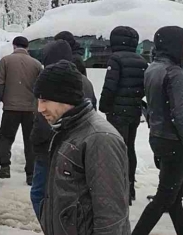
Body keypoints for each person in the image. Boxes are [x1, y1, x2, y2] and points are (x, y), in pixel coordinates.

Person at [36, 60, 131, 234]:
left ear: (65, 97)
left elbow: (111, 217)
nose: (40, 108)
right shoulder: (67, 128)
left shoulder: (99, 138)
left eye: (45, 100)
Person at [132, 26, 183, 235]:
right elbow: (179, 112)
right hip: (174, 139)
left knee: (174, 195)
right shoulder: (174, 72)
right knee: (164, 197)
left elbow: (150, 105)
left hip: (157, 135)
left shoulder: (153, 68)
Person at [29, 39, 96, 218]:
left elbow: (44, 121)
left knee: (40, 194)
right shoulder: (84, 81)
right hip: (73, 148)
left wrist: (36, 141)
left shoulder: (52, 82)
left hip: (51, 148)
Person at [98, 26, 148, 205]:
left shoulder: (116, 59)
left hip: (117, 113)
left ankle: (118, 189)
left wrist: (104, 106)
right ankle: (130, 188)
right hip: (133, 111)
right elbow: (144, 87)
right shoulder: (142, 61)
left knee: (116, 150)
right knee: (130, 148)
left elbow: (110, 86)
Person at [0, 36, 42, 183]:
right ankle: (30, 174)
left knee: (5, 137)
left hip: (11, 108)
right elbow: (40, 86)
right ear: (27, 47)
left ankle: (4, 167)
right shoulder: (36, 64)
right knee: (30, 140)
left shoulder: (5, 61)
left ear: (14, 46)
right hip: (30, 108)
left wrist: (3, 98)